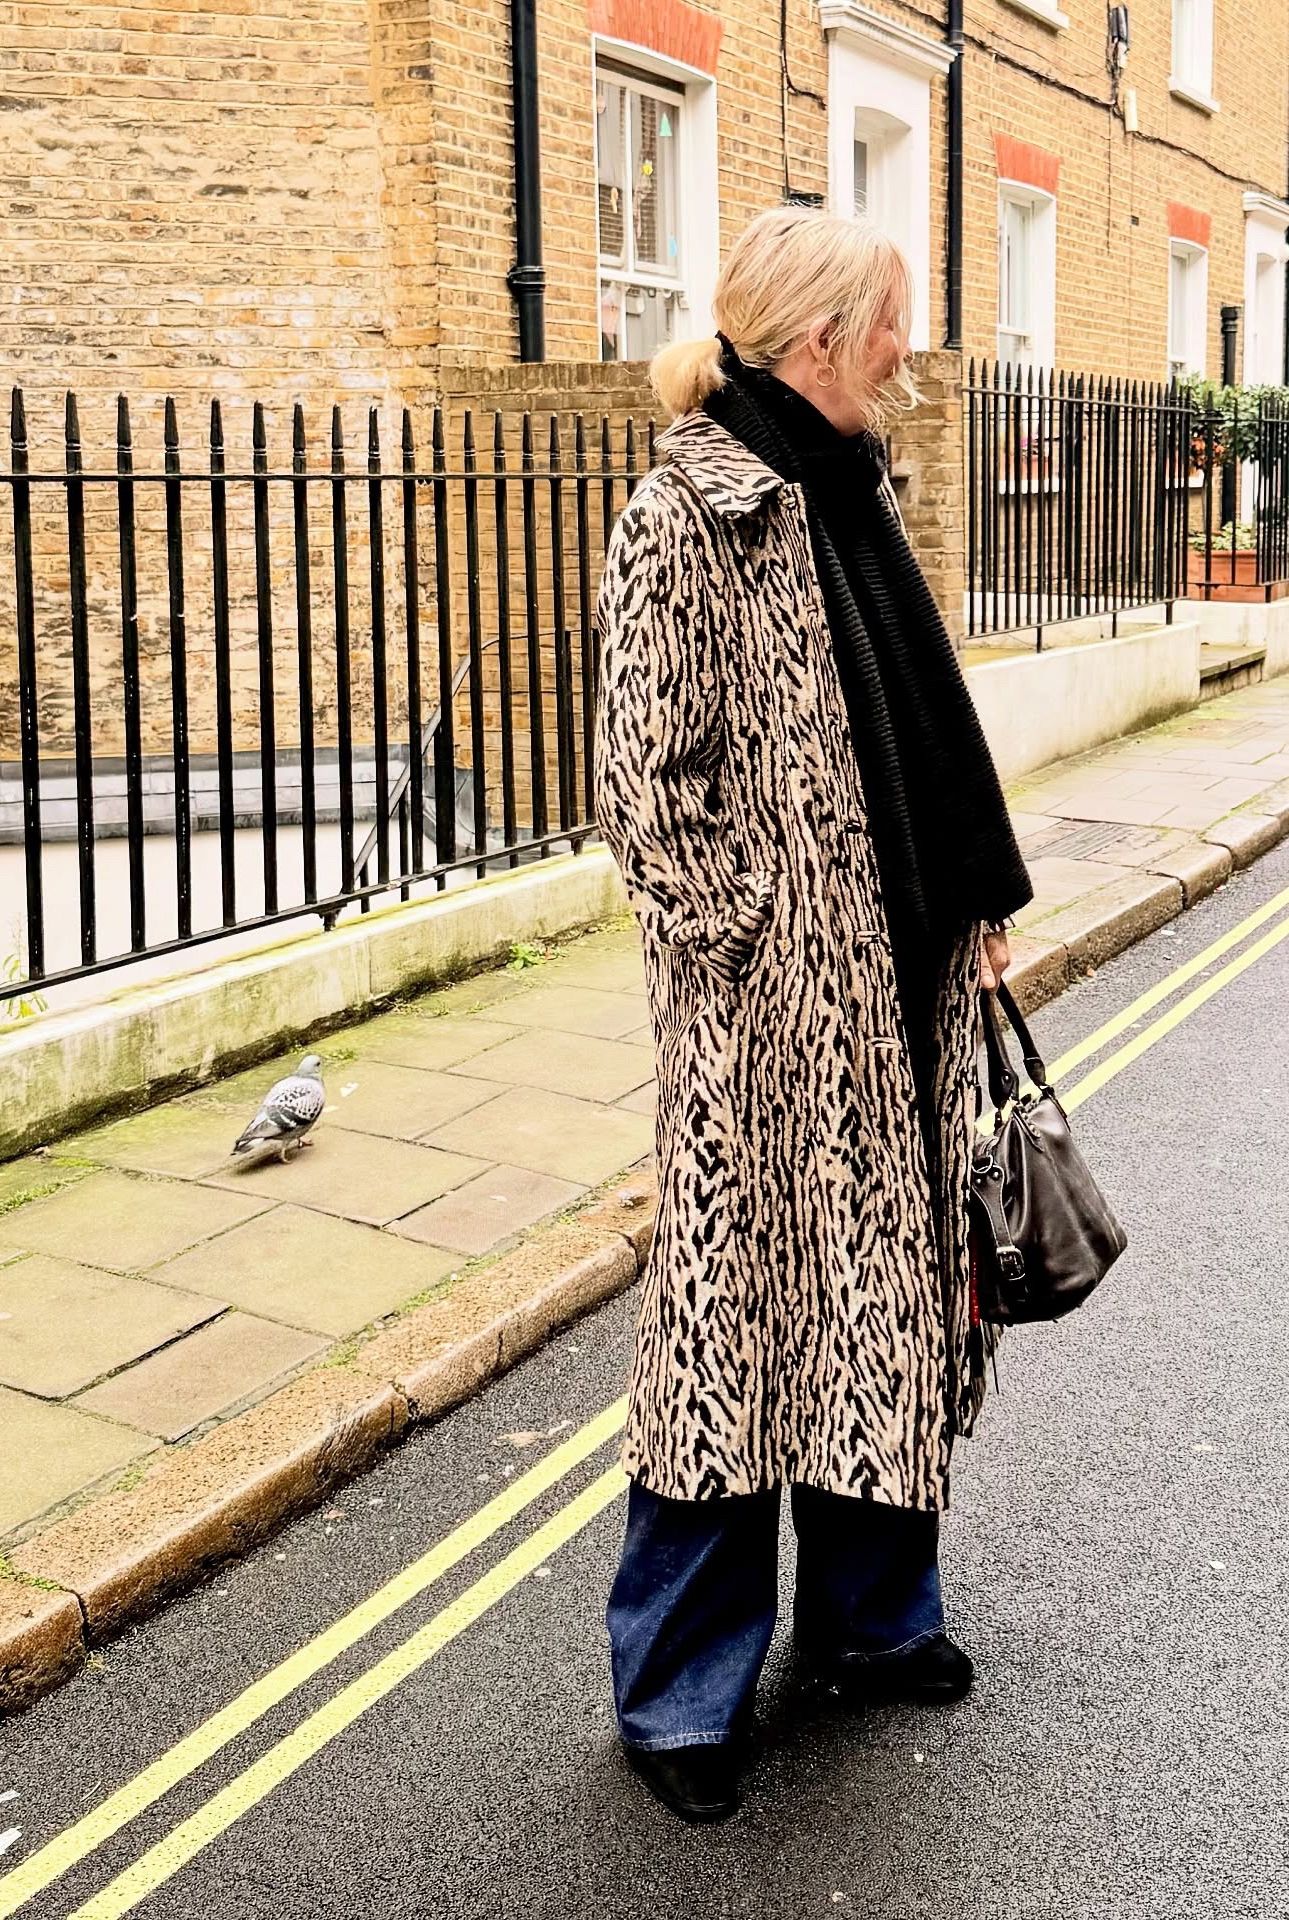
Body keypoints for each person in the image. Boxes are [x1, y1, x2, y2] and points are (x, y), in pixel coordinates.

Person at [593, 207, 1033, 1824]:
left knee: (887, 1318)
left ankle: (870, 1622)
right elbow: (647, 787)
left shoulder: (852, 484)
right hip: (766, 1033)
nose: (908, 353)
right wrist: (755, 951)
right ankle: (682, 1696)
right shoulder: (684, 514)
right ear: (823, 335)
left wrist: (961, 911)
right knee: (737, 1334)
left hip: (894, 1000)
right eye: (892, 324)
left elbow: (910, 728)